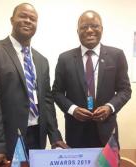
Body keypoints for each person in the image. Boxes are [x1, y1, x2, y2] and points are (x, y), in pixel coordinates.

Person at [0, 3, 67, 167]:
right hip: (8, 138)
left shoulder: (41, 60)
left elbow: (46, 101)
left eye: (32, 19)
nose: (27, 21)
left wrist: (55, 136)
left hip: (37, 136)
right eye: (22, 16)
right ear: (12, 20)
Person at [52, 10, 131, 149]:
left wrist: (110, 107)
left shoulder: (116, 55)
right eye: (84, 27)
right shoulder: (65, 59)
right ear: (77, 31)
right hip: (76, 131)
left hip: (107, 129)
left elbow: (125, 90)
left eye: (94, 26)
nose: (89, 30)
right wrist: (73, 109)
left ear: (102, 29)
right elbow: (56, 92)